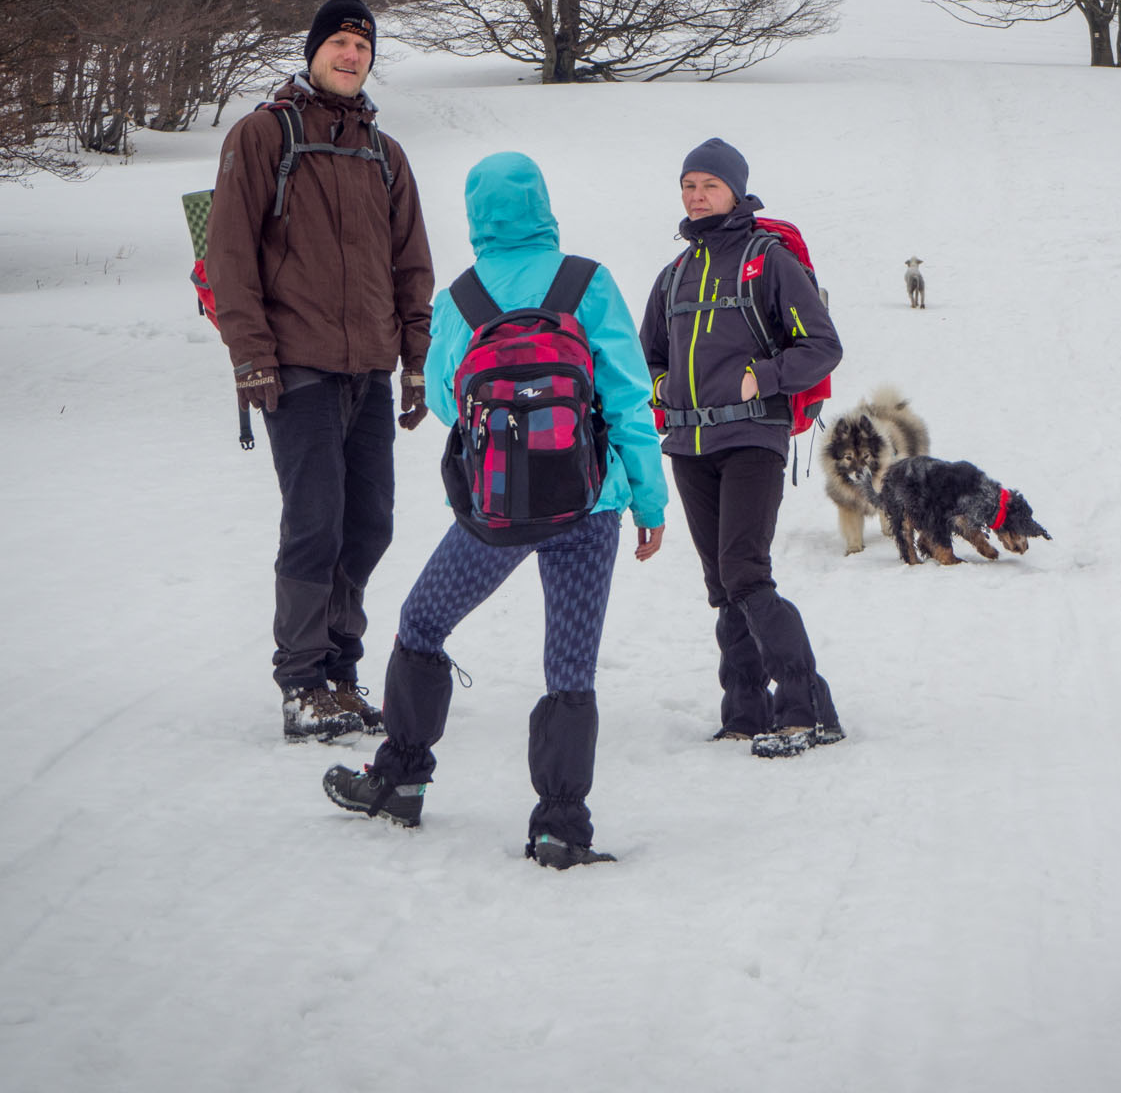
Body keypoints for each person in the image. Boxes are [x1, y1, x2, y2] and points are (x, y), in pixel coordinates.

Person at [322, 152, 667, 869]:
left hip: (496, 505)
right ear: (544, 203)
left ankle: (401, 779)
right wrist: (648, 501)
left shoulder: (462, 297)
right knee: (570, 667)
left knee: (422, 622)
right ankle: (561, 827)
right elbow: (631, 398)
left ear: (477, 216)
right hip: (590, 503)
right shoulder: (587, 282)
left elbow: (450, 400)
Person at [204, 0, 435, 742]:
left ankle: (340, 670)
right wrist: (251, 359)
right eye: (339, 43)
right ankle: (302, 680)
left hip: (368, 369)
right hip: (293, 367)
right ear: (313, 53)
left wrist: (414, 364)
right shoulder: (262, 135)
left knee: (369, 524)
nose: (351, 55)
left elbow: (411, 268)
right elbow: (229, 257)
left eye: (362, 47)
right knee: (315, 524)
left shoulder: (383, 153)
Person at [639, 138, 845, 758]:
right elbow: (646, 356)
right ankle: (745, 710)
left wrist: (768, 376)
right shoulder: (673, 275)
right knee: (722, 584)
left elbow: (822, 346)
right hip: (689, 443)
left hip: (754, 436)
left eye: (709, 185)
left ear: (736, 190)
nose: (697, 196)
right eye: (688, 185)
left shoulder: (769, 261)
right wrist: (661, 387)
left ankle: (806, 710)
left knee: (746, 573)